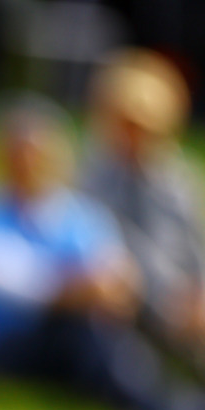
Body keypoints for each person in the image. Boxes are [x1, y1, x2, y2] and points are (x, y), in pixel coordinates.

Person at [0, 95, 205, 410]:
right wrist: (78, 290)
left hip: (79, 329)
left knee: (109, 335)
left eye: (36, 152)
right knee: (91, 337)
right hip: (5, 345)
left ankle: (175, 409)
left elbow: (117, 270)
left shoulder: (76, 212)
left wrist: (107, 289)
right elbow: (5, 283)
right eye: (17, 152)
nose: (27, 163)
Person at [80, 48, 205, 377]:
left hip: (184, 300)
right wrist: (167, 302)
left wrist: (197, 296)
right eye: (125, 123)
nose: (133, 135)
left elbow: (195, 247)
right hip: (135, 301)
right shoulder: (91, 180)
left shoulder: (176, 180)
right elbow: (113, 246)